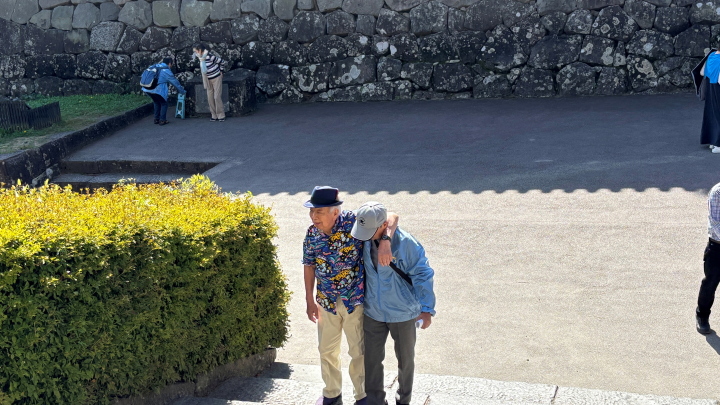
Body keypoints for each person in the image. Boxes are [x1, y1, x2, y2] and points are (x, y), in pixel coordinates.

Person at [302, 186, 397, 405]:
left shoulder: (354, 221)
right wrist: (309, 299)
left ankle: (362, 397)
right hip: (326, 301)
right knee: (326, 350)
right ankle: (332, 394)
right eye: (312, 211)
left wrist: (386, 240)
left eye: (319, 211)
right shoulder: (312, 233)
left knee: (359, 351)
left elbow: (391, 216)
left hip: (354, 300)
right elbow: (308, 265)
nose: (314, 216)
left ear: (335, 212)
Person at [350, 202, 436, 405]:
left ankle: (403, 401)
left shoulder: (406, 242)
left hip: (403, 312)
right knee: (371, 360)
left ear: (383, 225)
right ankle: (375, 401)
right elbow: (391, 215)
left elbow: (422, 274)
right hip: (373, 310)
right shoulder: (364, 233)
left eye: (369, 231)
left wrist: (426, 309)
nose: (363, 236)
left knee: (405, 361)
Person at [697, 182, 720, 334]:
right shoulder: (718, 192)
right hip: (717, 247)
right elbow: (716, 224)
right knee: (710, 283)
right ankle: (702, 316)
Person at [142, 57, 185, 126]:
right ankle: (162, 120)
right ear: (169, 63)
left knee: (156, 102)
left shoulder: (154, 67)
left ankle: (156, 119)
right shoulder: (166, 71)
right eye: (171, 64)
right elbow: (175, 83)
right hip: (158, 90)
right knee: (164, 103)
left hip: (147, 88)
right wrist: (182, 91)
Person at [193, 43, 226, 122]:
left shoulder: (210, 56)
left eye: (196, 51)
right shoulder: (200, 58)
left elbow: (222, 62)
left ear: (200, 50)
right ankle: (213, 115)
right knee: (210, 98)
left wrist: (221, 71)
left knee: (217, 97)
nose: (195, 53)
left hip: (216, 78)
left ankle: (221, 115)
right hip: (207, 79)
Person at [696, 49, 720, 153]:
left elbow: (702, 73)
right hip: (718, 89)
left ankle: (712, 141)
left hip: (710, 88)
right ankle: (718, 144)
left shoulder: (712, 55)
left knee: (712, 114)